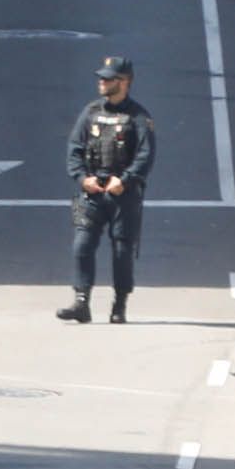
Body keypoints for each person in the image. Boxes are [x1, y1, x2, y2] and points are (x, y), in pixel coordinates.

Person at [63, 55, 158, 325]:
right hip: (92, 191)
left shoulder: (139, 117)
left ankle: (120, 304)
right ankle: (81, 302)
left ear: (124, 82)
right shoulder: (91, 111)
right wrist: (82, 178)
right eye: (101, 78)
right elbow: (74, 149)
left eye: (108, 78)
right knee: (82, 244)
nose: (101, 82)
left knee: (122, 250)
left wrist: (125, 180)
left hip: (123, 194)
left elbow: (145, 155)